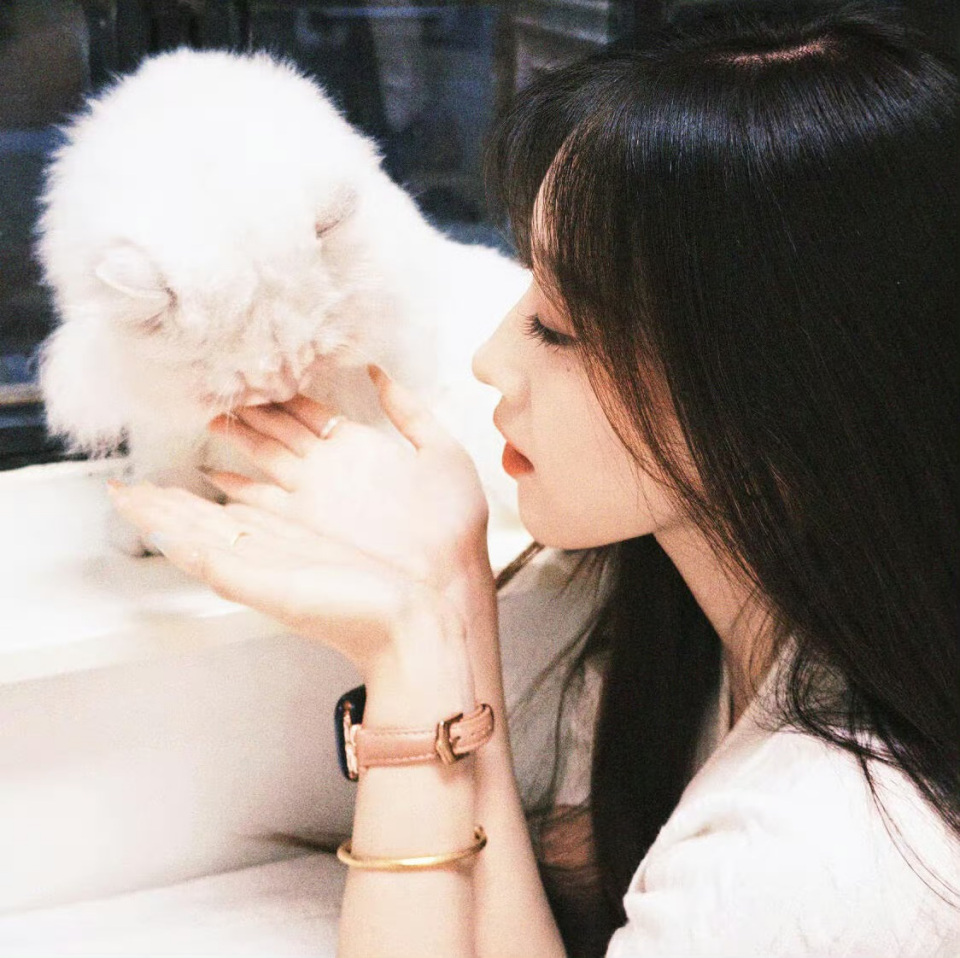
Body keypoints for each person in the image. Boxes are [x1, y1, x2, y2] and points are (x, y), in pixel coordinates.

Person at [108, 3, 960, 955]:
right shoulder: (714, 633)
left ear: (775, 395)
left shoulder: (818, 859)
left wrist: (411, 665)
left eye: (560, 324)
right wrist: (450, 596)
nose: (491, 359)